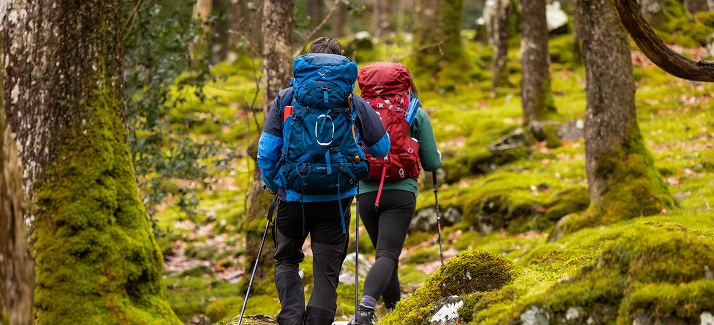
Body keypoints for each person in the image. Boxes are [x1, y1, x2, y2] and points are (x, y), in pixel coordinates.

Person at [257, 37, 390, 325]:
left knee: (287, 259)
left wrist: (273, 184)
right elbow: (382, 147)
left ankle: (291, 317)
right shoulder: (352, 100)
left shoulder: (287, 97)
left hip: (292, 194)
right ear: (342, 63)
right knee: (326, 271)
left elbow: (267, 151)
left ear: (307, 62)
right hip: (336, 199)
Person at [353, 63, 441, 325]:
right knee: (388, 255)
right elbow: (431, 164)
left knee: (386, 255)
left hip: (367, 193)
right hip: (401, 193)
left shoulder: (360, 110)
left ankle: (395, 313)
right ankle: (364, 312)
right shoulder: (414, 112)